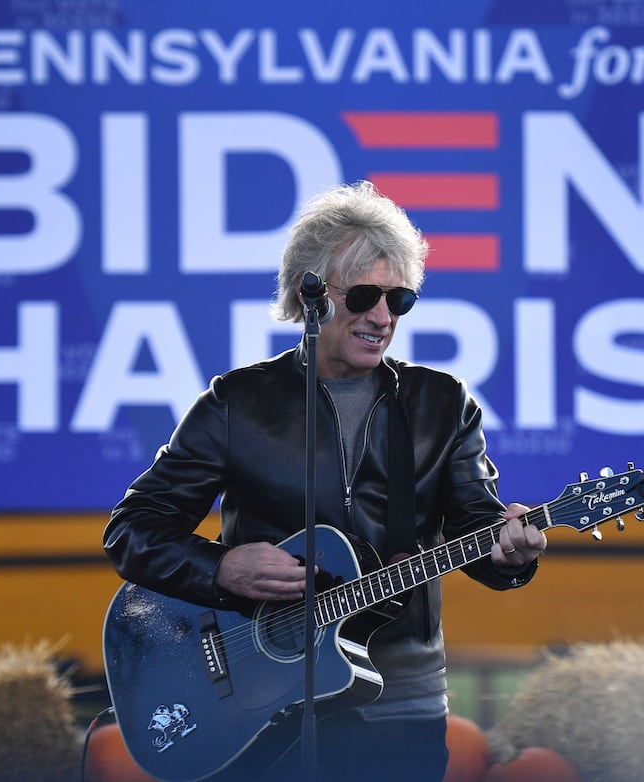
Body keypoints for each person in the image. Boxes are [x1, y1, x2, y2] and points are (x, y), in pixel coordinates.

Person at [103, 180, 547, 781]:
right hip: (259, 708)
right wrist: (220, 570)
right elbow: (132, 530)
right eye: (365, 295)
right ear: (310, 294)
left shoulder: (442, 404)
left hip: (399, 706)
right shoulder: (238, 403)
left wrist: (511, 553)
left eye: (400, 299)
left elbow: (477, 529)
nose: (383, 316)